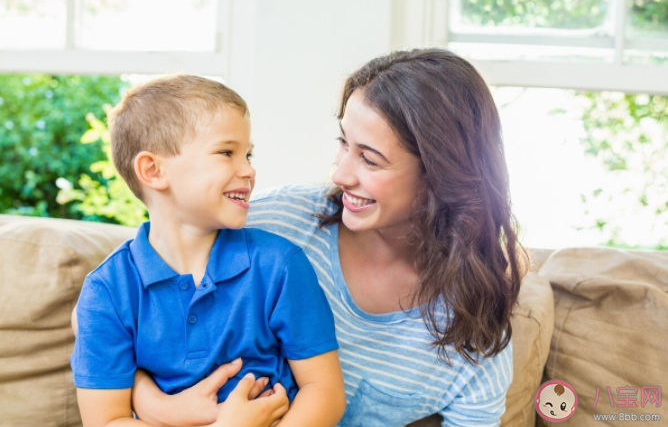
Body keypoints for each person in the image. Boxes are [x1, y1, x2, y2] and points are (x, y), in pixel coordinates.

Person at [131, 48, 528, 427]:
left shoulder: (472, 324)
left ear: (441, 174)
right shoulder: (275, 224)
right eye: (343, 143)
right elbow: (116, 305)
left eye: (370, 159)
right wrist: (159, 406)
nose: (340, 175)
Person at [70, 75, 347, 427]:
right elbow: (105, 421)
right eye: (226, 152)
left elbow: (324, 389)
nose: (249, 170)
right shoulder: (107, 290)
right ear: (153, 170)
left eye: (247, 154)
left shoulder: (279, 265)